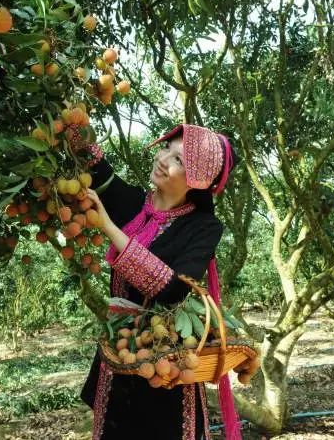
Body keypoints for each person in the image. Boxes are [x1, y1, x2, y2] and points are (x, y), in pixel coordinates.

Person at [71, 123, 241, 440]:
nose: (164, 159)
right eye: (166, 149)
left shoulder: (203, 227)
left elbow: (173, 289)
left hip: (167, 364)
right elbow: (94, 164)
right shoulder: (134, 204)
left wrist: (107, 226)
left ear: (197, 181)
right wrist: (71, 118)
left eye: (179, 160)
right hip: (119, 357)